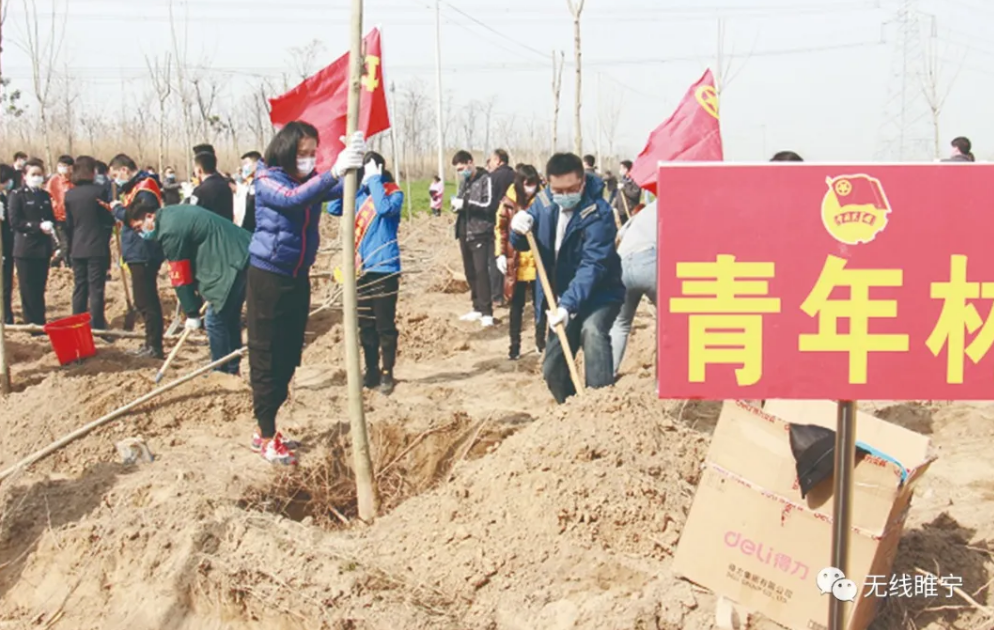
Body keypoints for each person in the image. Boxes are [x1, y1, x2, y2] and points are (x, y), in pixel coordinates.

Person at [247, 122, 365, 465]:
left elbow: (340, 189)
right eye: (303, 153)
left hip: (297, 277)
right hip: (268, 277)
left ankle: (267, 426)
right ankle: (265, 435)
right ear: (285, 150)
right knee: (267, 354)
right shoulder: (267, 179)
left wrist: (357, 163)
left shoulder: (307, 181)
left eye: (313, 152)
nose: (309, 158)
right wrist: (333, 171)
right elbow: (293, 199)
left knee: (288, 353)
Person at [510, 153, 624, 404]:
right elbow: (525, 242)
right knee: (553, 367)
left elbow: (593, 265)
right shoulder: (543, 204)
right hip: (561, 296)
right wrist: (517, 229)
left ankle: (599, 405)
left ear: (582, 182)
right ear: (548, 184)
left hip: (600, 294)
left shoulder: (599, 212)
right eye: (558, 190)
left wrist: (568, 305)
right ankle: (573, 408)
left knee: (592, 333)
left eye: (571, 189)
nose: (565, 195)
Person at [126, 198, 251, 376]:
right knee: (229, 317)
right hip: (241, 253)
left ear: (149, 216)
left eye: (140, 227)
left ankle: (220, 371)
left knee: (214, 320)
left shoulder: (169, 230)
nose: (141, 233)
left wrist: (191, 312)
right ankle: (231, 369)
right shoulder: (170, 215)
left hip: (229, 261)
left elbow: (180, 275)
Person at [328, 151, 404, 395]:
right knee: (365, 324)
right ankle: (371, 369)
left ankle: (387, 371)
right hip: (360, 268)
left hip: (384, 267)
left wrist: (374, 180)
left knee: (384, 323)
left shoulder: (393, 193)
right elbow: (333, 207)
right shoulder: (359, 195)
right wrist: (348, 181)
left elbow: (383, 208)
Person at [108, 154, 166, 358]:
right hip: (136, 249)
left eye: (116, 175)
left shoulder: (146, 188)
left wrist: (118, 210)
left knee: (146, 300)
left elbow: (138, 216)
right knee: (143, 299)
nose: (116, 180)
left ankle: (154, 346)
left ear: (124, 170)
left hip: (144, 250)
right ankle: (150, 343)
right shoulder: (134, 188)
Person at [496, 164, 546, 360]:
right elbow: (501, 229)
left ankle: (540, 342)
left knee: (541, 305)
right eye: (527, 184)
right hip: (515, 261)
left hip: (538, 260)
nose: (530, 188)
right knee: (516, 306)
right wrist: (500, 254)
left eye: (533, 184)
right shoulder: (508, 202)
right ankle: (514, 346)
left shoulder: (543, 200)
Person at [64, 156, 115, 331]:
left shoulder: (70, 194)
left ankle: (77, 323)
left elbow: (69, 224)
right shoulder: (98, 192)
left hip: (77, 246)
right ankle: (97, 325)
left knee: (80, 287)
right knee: (96, 288)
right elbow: (106, 219)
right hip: (96, 245)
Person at [608, 201, 657, 378]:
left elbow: (619, 235)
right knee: (672, 318)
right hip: (649, 259)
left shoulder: (643, 213)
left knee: (620, 324)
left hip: (622, 264)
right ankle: (673, 372)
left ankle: (608, 374)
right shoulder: (673, 208)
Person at [451, 150, 496, 327]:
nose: (461, 172)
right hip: (464, 230)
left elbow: (489, 205)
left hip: (480, 231)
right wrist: (457, 205)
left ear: (470, 162)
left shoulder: (486, 179)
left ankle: (487, 311)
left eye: (462, 168)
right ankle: (476, 306)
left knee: (481, 271)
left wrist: (466, 204)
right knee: (470, 271)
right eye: (458, 170)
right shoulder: (465, 182)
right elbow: (461, 200)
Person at [8, 158, 56, 325]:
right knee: (28, 288)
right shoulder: (17, 195)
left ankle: (40, 320)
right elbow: (15, 222)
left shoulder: (44, 195)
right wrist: (37, 226)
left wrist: (50, 225)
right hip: (26, 249)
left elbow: (50, 216)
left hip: (42, 248)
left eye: (39, 174)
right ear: (25, 176)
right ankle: (31, 322)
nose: (37, 177)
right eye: (33, 174)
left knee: (39, 287)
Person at [487, 149, 516, 308]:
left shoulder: (492, 178)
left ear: (498, 160)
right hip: (516, 222)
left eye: (491, 160)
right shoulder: (516, 176)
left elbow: (489, 203)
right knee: (514, 258)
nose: (490, 163)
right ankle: (513, 293)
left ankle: (497, 296)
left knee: (497, 258)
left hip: (498, 221)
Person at [45, 154, 74, 268]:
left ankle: (67, 263)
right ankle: (62, 264)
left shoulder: (74, 180)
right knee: (65, 244)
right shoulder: (54, 180)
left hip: (73, 217)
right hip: (58, 217)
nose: (62, 169)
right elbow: (48, 196)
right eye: (60, 166)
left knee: (72, 243)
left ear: (71, 167)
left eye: (65, 166)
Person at [190, 151, 234, 222]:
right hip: (225, 227)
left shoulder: (200, 191)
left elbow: (192, 215)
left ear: (199, 170)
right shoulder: (226, 186)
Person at [0, 164, 16, 324]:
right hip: (2, 247)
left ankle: (6, 315)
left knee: (6, 284)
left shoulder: (3, 197)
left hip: (7, 246)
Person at [240, 151, 262, 233]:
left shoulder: (262, 182)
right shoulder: (249, 183)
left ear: (255, 164)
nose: (244, 167)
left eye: (246, 163)